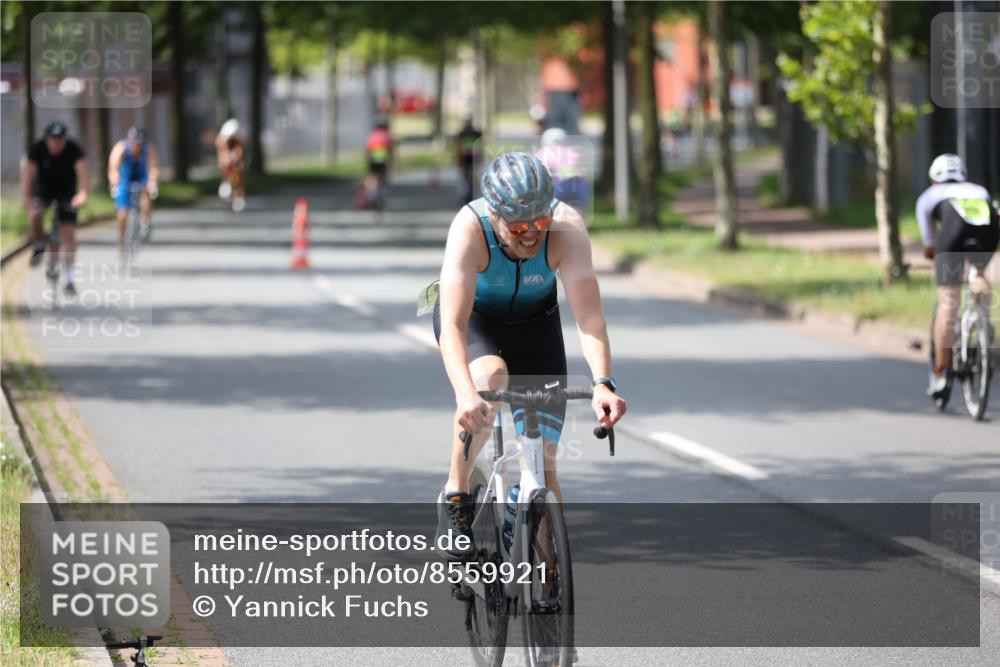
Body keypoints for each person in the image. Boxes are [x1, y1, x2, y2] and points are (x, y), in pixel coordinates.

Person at [432, 152, 627, 560]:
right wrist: (466, 395)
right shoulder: (471, 227)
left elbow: (589, 318)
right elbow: (452, 325)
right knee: (491, 381)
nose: (531, 236)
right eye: (519, 226)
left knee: (545, 470)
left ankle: (549, 591)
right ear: (495, 216)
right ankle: (457, 493)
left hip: (537, 325)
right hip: (475, 321)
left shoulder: (567, 228)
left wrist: (603, 383)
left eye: (539, 223)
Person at [916, 153, 999, 397]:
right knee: (978, 273)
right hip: (988, 232)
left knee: (948, 303)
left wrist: (933, 254)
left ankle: (941, 374)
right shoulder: (979, 190)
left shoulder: (929, 196)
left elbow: (930, 243)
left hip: (953, 235)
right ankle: (984, 321)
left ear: (934, 179)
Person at [20, 121, 90, 297]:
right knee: (36, 214)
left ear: (65, 139)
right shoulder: (37, 149)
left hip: (67, 191)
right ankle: (38, 245)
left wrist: (82, 195)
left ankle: (70, 278)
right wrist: (26, 198)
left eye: (60, 139)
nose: (56, 143)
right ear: (47, 139)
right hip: (44, 189)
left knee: (69, 235)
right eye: (53, 139)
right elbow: (28, 175)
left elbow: (84, 173)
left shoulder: (74, 150)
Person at [108, 127, 159, 252]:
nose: (137, 146)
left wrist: (153, 183)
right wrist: (115, 184)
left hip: (141, 176)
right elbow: (113, 169)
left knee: (147, 193)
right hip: (125, 178)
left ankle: (145, 222)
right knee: (122, 212)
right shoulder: (120, 148)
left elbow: (153, 168)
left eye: (140, 143)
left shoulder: (148, 149)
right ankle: (121, 240)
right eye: (135, 143)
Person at [215, 118, 246, 212]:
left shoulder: (240, 137)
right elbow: (222, 155)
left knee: (239, 171)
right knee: (225, 166)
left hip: (236, 140)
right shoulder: (222, 139)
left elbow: (239, 152)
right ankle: (226, 184)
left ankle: (238, 195)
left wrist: (237, 162)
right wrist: (226, 163)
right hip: (225, 144)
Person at [363, 117, 393, 208]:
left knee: (372, 178)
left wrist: (366, 161)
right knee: (383, 178)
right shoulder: (387, 136)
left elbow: (367, 149)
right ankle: (381, 197)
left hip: (372, 160)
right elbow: (391, 151)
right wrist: (392, 163)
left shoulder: (372, 136)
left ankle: (371, 196)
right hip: (383, 160)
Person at [455, 117, 483, 205]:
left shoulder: (464, 133)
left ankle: (472, 195)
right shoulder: (474, 133)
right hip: (468, 157)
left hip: (470, 157)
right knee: (468, 177)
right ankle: (468, 195)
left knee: (469, 177)